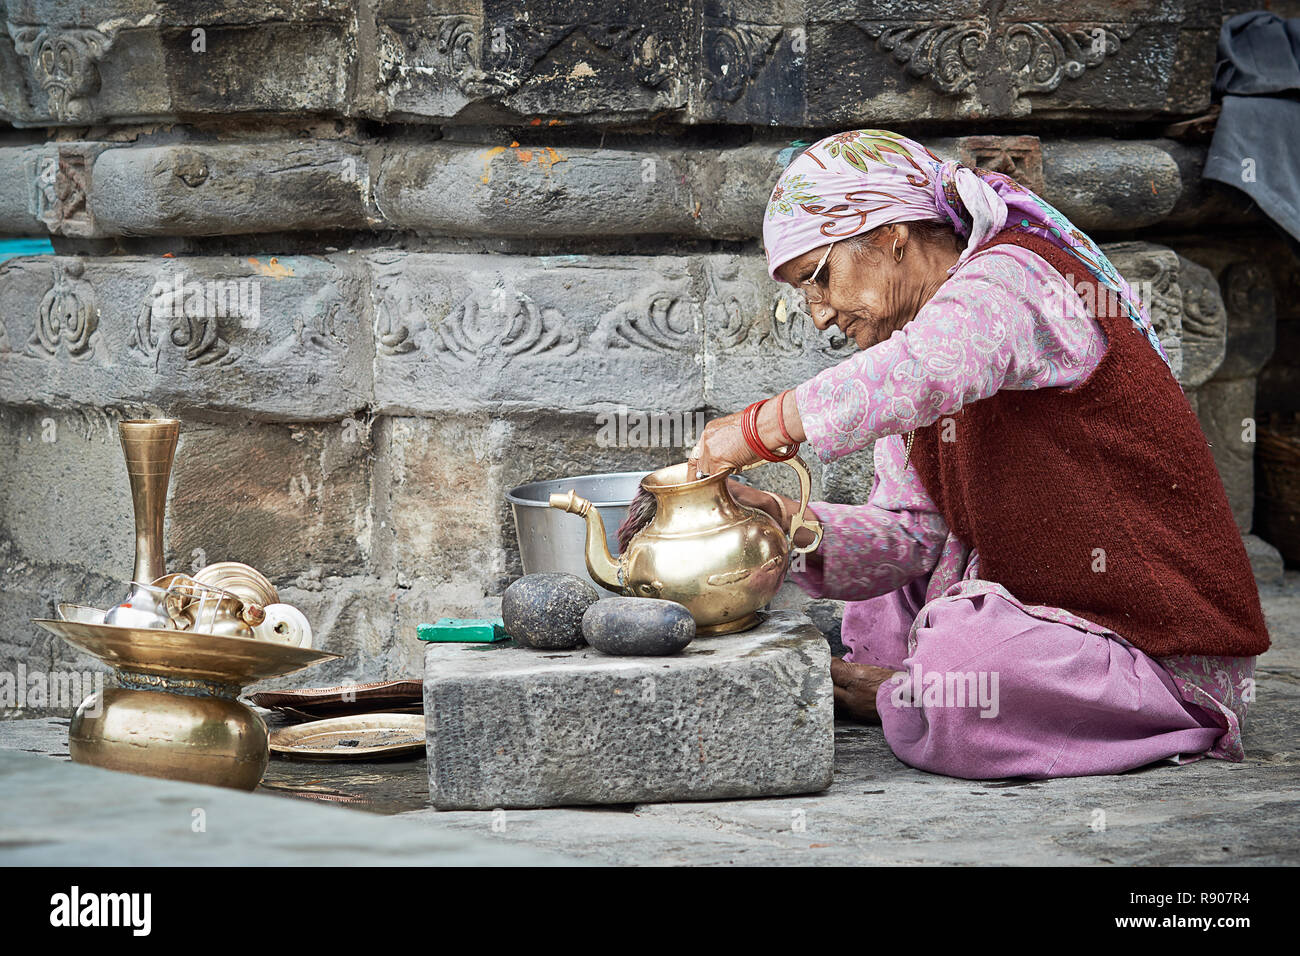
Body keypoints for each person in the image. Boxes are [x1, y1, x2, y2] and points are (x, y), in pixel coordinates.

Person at [689, 129, 1270, 779]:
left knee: (961, 663)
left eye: (818, 278)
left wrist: (761, 427)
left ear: (890, 236)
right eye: (802, 295)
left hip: (1157, 650)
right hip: (1050, 620)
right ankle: (923, 691)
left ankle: (928, 694)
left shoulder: (1013, 279)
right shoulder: (907, 361)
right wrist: (777, 522)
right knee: (889, 604)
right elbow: (908, 537)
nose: (819, 314)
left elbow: (927, 367)